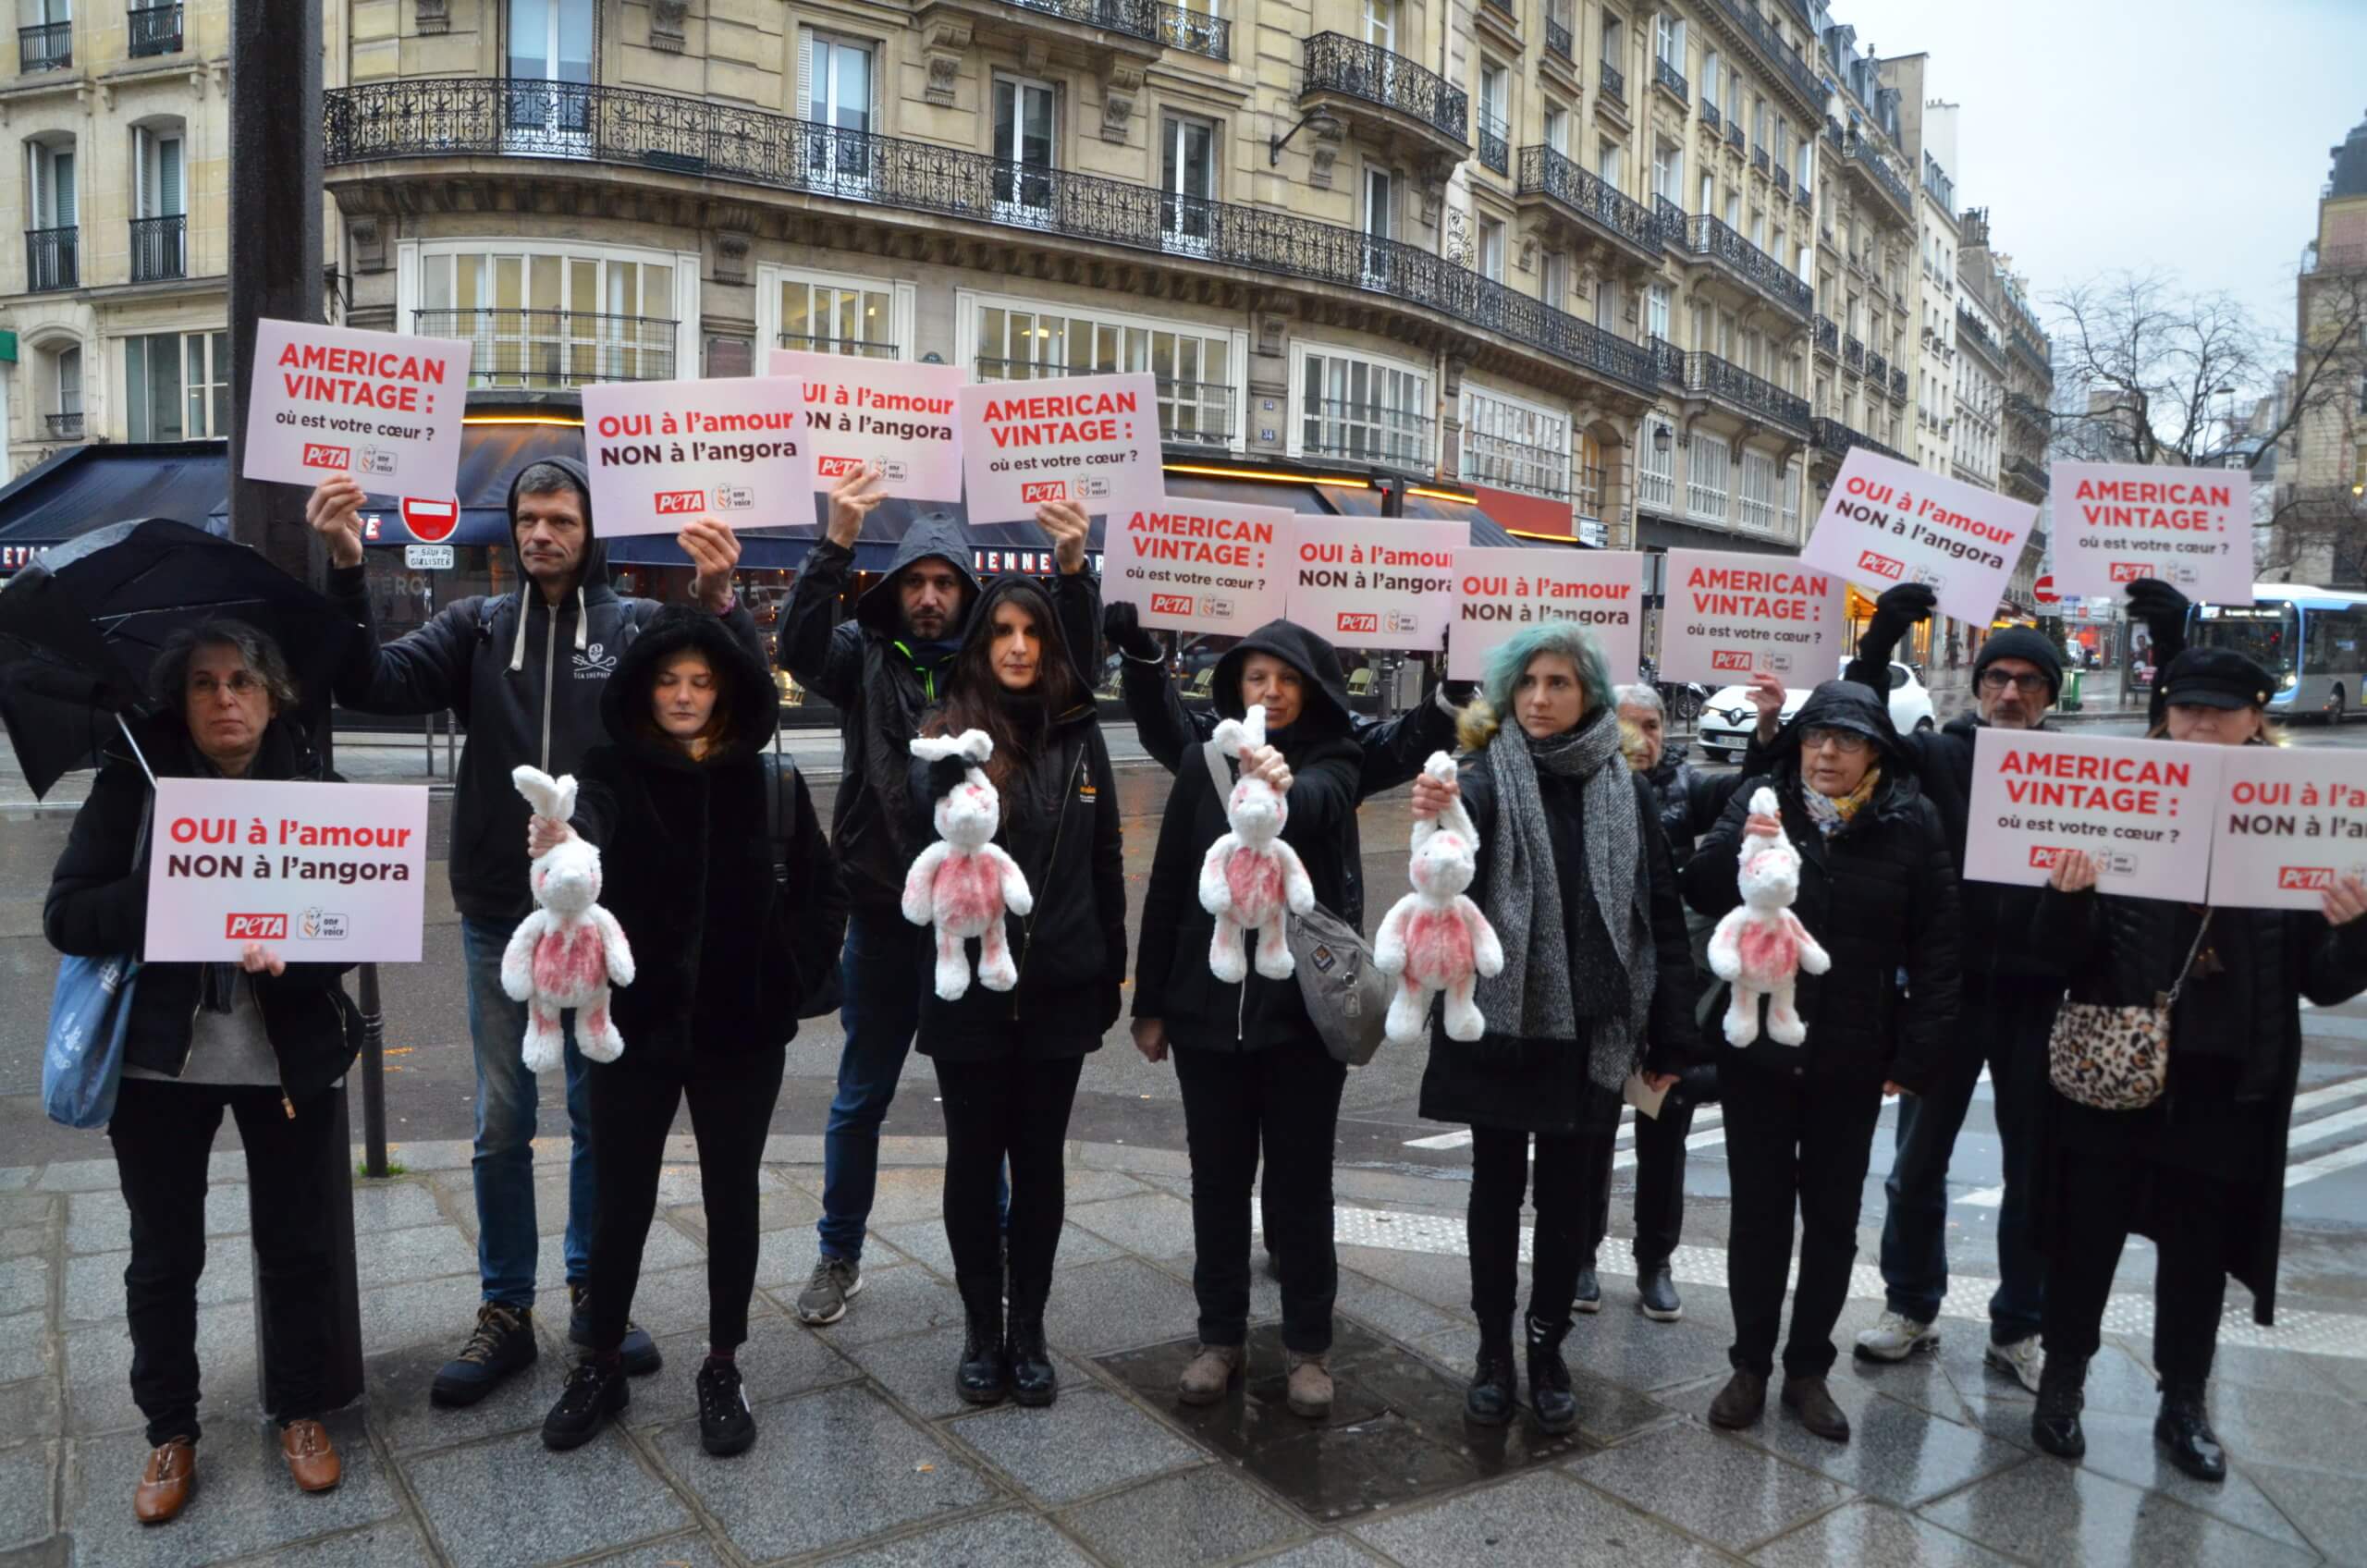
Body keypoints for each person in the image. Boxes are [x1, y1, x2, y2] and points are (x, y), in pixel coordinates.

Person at [310, 462, 756, 1405]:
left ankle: (597, 1294)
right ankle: (505, 1308)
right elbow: (368, 679)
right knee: (503, 1116)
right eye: (525, 518)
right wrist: (348, 565)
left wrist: (721, 601)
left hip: (606, 910)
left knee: (604, 1115)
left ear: (592, 528)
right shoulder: (476, 626)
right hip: (498, 906)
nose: (540, 533)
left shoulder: (633, 625)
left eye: (559, 517)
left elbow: (729, 697)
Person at [44, 622, 363, 1523]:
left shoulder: (312, 790)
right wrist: (173, 885)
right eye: (203, 683)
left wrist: (291, 956)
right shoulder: (132, 787)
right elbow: (67, 915)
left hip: (285, 1061)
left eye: (242, 682)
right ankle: (170, 1430)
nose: (225, 698)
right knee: (163, 1253)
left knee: (298, 1245)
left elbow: (355, 923)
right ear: (179, 699)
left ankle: (301, 1412)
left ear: (274, 697)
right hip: (158, 1066)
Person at [2030, 646, 2367, 1480]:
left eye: (2223, 710)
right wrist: (2065, 902)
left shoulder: (2301, 818)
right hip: (2116, 1076)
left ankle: (2184, 1400)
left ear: (2259, 719)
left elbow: (2322, 986)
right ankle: (2062, 1382)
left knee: (2198, 1252)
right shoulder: (2113, 807)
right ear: (2164, 717)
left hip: (2228, 1084)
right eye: (2188, 710)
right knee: (2085, 1240)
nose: (2203, 724)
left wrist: (2357, 927)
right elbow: (2055, 963)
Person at [780, 465, 1097, 1328]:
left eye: (944, 583)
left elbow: (1078, 672)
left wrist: (1074, 570)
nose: (927, 596)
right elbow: (797, 650)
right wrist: (833, 544)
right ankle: (836, 1253)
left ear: (967, 593)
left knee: (985, 1098)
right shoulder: (863, 656)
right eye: (915, 581)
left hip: (974, 919)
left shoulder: (993, 668)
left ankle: (995, 1245)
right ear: (896, 589)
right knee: (861, 1095)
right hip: (884, 909)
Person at [525, 607, 842, 1456]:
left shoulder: (770, 782)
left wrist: (791, 978)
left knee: (731, 1196)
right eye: (669, 680)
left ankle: (723, 1362)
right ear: (642, 687)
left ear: (730, 690)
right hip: (631, 1030)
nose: (684, 696)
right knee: (617, 1197)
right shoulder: (610, 772)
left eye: (702, 681)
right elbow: (583, 844)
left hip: (742, 1032)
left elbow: (824, 892)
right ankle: (597, 1360)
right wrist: (560, 841)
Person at [1408, 629, 1699, 1433]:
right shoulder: (1481, 777)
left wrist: (1673, 1032)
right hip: (1504, 1020)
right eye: (1528, 682)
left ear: (1591, 696)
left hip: (1593, 1025)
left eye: (1560, 683)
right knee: (1496, 1191)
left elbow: (1659, 916)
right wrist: (1439, 816)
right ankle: (1494, 1354)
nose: (1540, 698)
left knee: (1571, 1195)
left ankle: (1548, 1345)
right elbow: (1445, 855)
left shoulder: (1625, 788)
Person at [1682, 678, 1960, 1444]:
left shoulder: (1912, 820)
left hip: (1854, 1052)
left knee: (1832, 1221)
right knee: (1759, 1214)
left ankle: (1808, 1370)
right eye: (1815, 737)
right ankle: (1748, 1365)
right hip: (1761, 1050)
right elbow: (1700, 884)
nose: (1827, 753)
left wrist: (1917, 1050)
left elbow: (1939, 945)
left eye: (1846, 740)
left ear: (1876, 750)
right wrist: (1748, 840)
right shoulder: (1764, 801)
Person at [1127, 620, 1363, 1417]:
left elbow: (1324, 805)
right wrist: (1152, 1005)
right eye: (1257, 678)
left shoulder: (1333, 759)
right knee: (1217, 1184)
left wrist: (1284, 783)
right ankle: (1219, 1337)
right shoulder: (1205, 764)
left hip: (1299, 1021)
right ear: (1236, 689)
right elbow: (1166, 885)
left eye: (1287, 679)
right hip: (1205, 1016)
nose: (1271, 692)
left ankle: (1307, 1348)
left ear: (1312, 690)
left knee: (1301, 1186)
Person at [907, 574, 1124, 1409]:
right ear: (979, 643)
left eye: (1033, 631)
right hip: (968, 992)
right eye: (1001, 630)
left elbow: (1104, 859)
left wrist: (1111, 969)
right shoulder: (946, 735)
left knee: (1038, 1166)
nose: (1018, 646)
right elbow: (928, 853)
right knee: (973, 1162)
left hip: (1061, 985)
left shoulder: (1080, 735)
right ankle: (980, 1330)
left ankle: (1026, 1328)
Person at [1575, 682, 1740, 1325]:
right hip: (1603, 988)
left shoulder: (1685, 787)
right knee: (1587, 1133)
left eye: (1652, 724)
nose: (1642, 739)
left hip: (1667, 991)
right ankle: (1582, 1255)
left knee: (1663, 1131)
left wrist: (1771, 730)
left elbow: (1751, 786)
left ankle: (1655, 1262)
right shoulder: (1585, 786)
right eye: (1627, 725)